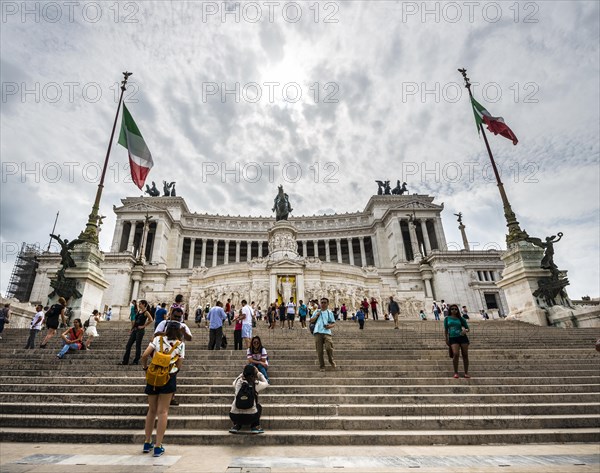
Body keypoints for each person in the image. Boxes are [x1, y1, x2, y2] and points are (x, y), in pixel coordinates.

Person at [141, 321, 185, 457]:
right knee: (163, 412)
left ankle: (147, 442)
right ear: (178, 331)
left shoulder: (157, 339)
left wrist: (146, 368)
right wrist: (172, 371)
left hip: (153, 377)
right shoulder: (180, 344)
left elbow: (144, 355)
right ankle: (158, 446)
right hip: (168, 378)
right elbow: (179, 365)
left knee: (151, 411)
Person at [229, 364, 268, 434]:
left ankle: (236, 426)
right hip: (251, 417)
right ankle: (255, 426)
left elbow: (234, 382)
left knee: (235, 404)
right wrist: (258, 373)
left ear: (244, 373)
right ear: (254, 373)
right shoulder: (256, 384)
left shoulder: (238, 382)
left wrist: (243, 373)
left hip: (235, 417)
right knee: (258, 406)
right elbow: (266, 383)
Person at [121, 300, 154, 365]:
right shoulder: (139, 311)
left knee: (137, 345)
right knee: (128, 345)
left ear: (144, 304)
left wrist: (143, 326)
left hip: (140, 331)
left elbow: (151, 319)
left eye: (140, 304)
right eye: (139, 304)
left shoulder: (146, 312)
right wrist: (132, 329)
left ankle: (136, 361)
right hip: (135, 330)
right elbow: (135, 321)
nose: (139, 305)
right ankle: (125, 361)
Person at [444, 304, 471, 379]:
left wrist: (465, 330)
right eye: (452, 309)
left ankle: (466, 372)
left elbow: (468, 328)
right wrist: (446, 339)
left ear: (457, 310)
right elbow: (446, 330)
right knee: (455, 354)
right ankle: (456, 372)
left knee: (465, 354)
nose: (454, 310)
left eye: (455, 309)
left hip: (462, 337)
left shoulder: (461, 318)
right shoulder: (447, 319)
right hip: (453, 338)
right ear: (450, 310)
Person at [310, 297, 336, 371]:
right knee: (319, 351)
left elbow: (333, 323)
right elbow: (311, 320)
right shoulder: (316, 311)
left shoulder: (329, 312)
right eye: (322, 302)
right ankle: (322, 366)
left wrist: (329, 326)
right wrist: (317, 315)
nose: (323, 304)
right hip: (317, 332)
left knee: (329, 347)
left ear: (327, 304)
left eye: (325, 302)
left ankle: (331, 360)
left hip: (327, 332)